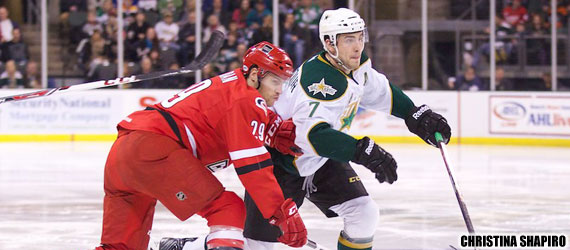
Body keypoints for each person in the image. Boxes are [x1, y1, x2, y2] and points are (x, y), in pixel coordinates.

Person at [242, 8, 451, 250]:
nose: (358, 46)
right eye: (349, 39)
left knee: (364, 213)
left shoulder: (352, 66)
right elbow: (312, 136)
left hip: (319, 159)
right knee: (255, 246)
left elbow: (378, 88)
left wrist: (413, 114)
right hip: (280, 167)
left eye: (360, 37)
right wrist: (362, 151)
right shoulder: (319, 82)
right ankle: (194, 245)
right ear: (330, 43)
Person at [94, 41, 308, 250]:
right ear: (254, 75)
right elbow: (253, 167)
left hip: (125, 151)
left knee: (119, 246)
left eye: (282, 82)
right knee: (228, 209)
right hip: (153, 150)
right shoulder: (247, 100)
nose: (279, 90)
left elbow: (234, 114)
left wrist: (273, 130)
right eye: (275, 81)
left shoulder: (235, 86)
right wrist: (278, 212)